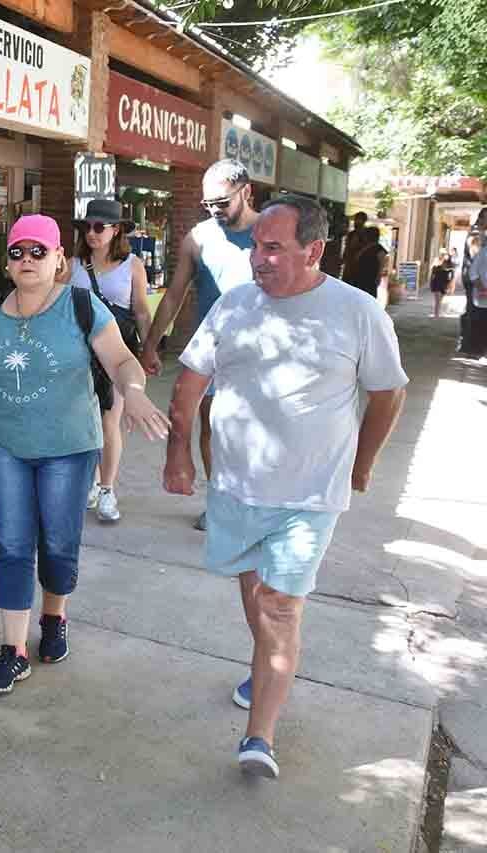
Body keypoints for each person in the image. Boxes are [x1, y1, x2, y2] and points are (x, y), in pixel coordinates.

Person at [163, 197, 408, 778]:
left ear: (313, 249)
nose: (259, 261)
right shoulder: (233, 307)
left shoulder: (356, 312)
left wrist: (362, 462)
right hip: (239, 488)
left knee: (278, 607)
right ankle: (270, 665)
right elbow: (190, 384)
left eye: (273, 249)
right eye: (257, 248)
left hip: (309, 495)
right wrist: (179, 454)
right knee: (256, 601)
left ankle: (259, 739)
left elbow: (388, 392)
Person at [0, 214, 169, 695]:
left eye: (39, 251)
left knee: (57, 543)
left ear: (60, 259)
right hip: (8, 448)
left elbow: (120, 359)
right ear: (7, 262)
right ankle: (13, 651)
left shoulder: (82, 305)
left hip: (70, 448)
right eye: (18, 252)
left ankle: (54, 618)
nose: (27, 260)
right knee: (13, 547)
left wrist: (134, 390)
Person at [141, 159, 258, 532]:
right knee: (212, 428)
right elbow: (174, 297)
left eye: (222, 202)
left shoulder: (273, 233)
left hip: (264, 354)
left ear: (247, 192)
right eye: (208, 204)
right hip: (212, 353)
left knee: (256, 431)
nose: (215, 211)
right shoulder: (198, 238)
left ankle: (256, 503)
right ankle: (221, 503)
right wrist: (150, 345)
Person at [67, 199, 152, 523]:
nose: (92, 233)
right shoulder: (71, 265)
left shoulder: (133, 265)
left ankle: (107, 488)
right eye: (87, 227)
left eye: (99, 227)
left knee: (109, 421)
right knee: (81, 420)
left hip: (118, 352)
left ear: (116, 230)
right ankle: (88, 482)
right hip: (77, 352)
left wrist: (148, 350)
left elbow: (141, 310)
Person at [464, 210, 487, 356]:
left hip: (479, 279)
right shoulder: (476, 234)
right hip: (476, 281)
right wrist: (480, 284)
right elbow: (476, 260)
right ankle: (474, 347)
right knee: (476, 315)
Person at [349, 226, 388, 299]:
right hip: (360, 277)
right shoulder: (363, 247)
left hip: (370, 278)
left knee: (369, 297)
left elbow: (382, 264)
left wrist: (378, 277)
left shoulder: (379, 248)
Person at [340, 211, 369, 285]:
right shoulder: (351, 234)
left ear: (364, 221)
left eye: (358, 219)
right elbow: (347, 248)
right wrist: (343, 259)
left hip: (359, 267)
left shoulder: (367, 234)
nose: (355, 221)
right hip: (349, 265)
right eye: (355, 219)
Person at [429, 250, 453, 318]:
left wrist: (450, 284)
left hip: (444, 283)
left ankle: (437, 313)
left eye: (444, 254)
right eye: (442, 254)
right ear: (440, 254)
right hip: (436, 283)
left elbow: (451, 273)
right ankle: (436, 314)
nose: (443, 255)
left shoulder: (447, 262)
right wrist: (431, 283)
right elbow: (432, 273)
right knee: (438, 300)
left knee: (440, 300)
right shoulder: (436, 261)